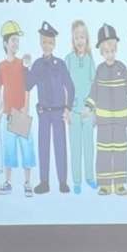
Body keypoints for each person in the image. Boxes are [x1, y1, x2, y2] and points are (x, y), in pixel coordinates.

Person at [26, 21, 75, 196]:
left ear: (54, 44)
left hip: (58, 112)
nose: (47, 45)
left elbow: (70, 86)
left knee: (60, 146)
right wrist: (26, 68)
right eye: (44, 42)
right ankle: (44, 182)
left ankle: (62, 182)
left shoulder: (60, 64)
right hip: (44, 113)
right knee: (43, 146)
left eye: (50, 42)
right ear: (40, 43)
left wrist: (68, 108)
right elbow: (28, 85)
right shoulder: (37, 64)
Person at [89, 22, 127, 196]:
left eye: (112, 50)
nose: (110, 54)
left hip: (121, 120)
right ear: (101, 52)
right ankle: (105, 184)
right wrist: (88, 107)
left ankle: (120, 184)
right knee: (104, 152)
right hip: (103, 121)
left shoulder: (122, 67)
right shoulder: (99, 70)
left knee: (121, 151)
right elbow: (94, 90)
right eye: (106, 51)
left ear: (116, 50)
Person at [0, 19, 35, 195]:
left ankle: (27, 182)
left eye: (17, 40)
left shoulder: (22, 64)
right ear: (5, 43)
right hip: (8, 115)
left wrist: (26, 109)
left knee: (27, 150)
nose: (16, 43)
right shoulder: (1, 66)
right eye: (13, 40)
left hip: (21, 114)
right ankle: (8, 181)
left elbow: (28, 87)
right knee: (9, 151)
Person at [65, 20, 97, 194]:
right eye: (76, 37)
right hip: (73, 112)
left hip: (88, 112)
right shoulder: (68, 60)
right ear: (72, 39)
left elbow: (95, 86)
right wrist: (66, 110)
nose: (79, 40)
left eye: (82, 37)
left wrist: (92, 110)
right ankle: (77, 181)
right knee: (75, 147)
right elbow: (64, 87)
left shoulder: (91, 60)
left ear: (87, 39)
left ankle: (89, 177)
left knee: (88, 147)